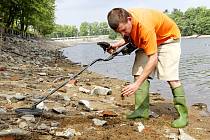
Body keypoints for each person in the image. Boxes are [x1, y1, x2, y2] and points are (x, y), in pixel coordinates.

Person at [107, 8, 188, 128]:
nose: (123, 34)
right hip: (150, 40)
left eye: (123, 30)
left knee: (171, 77)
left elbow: (153, 59)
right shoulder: (124, 18)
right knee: (138, 72)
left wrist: (136, 85)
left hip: (167, 39)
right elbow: (129, 36)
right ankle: (141, 111)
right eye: (119, 32)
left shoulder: (145, 25)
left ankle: (183, 116)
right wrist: (115, 45)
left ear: (129, 19)